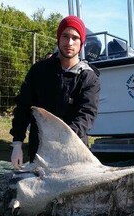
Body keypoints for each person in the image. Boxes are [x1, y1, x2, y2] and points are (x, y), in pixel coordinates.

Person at [9, 16, 100, 169]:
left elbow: (86, 115)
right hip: (40, 150)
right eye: (65, 36)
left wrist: (61, 140)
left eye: (75, 38)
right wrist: (17, 144)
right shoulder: (39, 71)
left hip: (74, 151)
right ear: (58, 38)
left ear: (81, 43)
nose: (69, 43)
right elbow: (23, 106)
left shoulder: (89, 78)